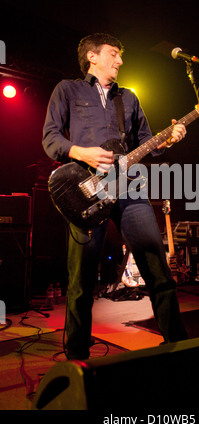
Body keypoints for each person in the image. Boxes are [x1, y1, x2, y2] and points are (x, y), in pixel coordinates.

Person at [42, 33, 188, 360]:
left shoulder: (130, 98)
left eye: (121, 55)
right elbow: (50, 138)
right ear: (92, 57)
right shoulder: (68, 90)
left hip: (129, 186)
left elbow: (147, 143)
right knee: (80, 279)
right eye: (114, 54)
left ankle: (178, 345)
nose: (120, 61)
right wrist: (80, 151)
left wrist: (168, 139)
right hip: (87, 191)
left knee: (157, 267)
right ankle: (77, 359)